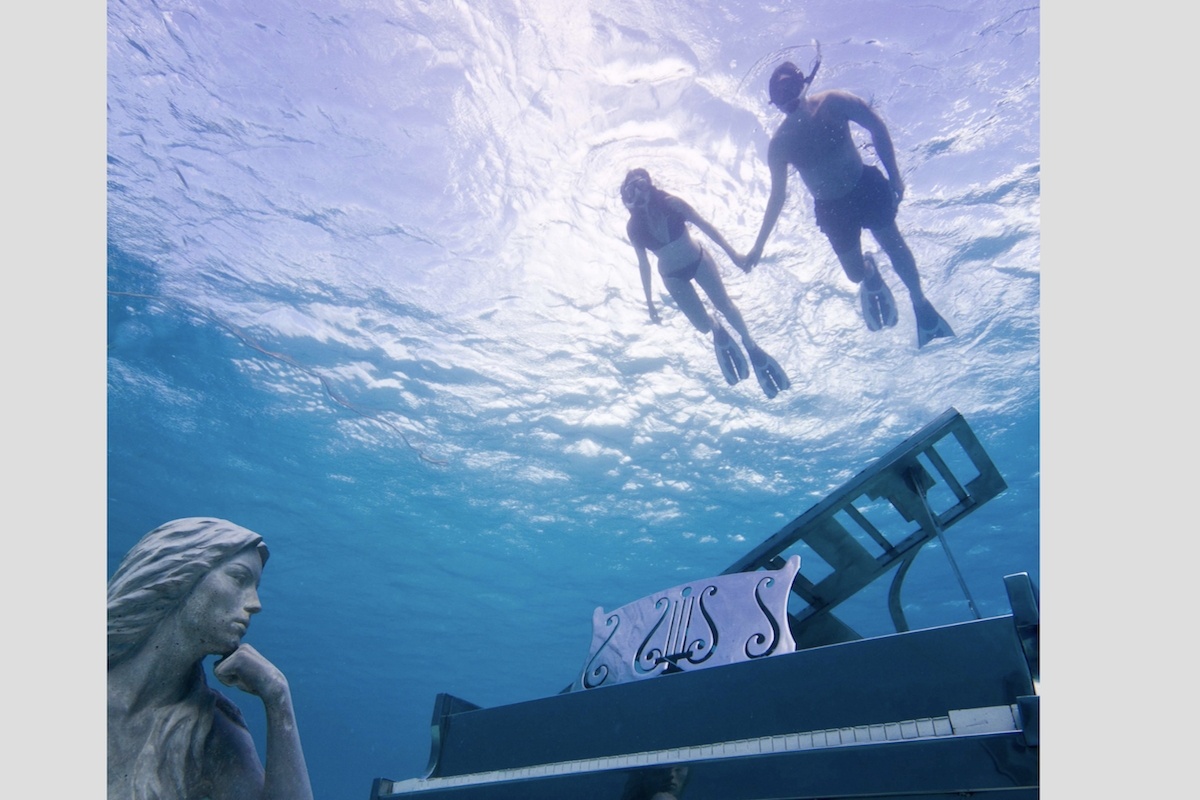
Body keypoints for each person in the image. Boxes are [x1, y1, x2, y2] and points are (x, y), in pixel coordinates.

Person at [742, 59, 954, 348]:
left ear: (803, 83)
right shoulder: (780, 143)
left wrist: (895, 176)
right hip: (833, 210)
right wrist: (758, 246)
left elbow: (876, 127)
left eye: (789, 87)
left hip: (864, 185)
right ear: (774, 103)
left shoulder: (834, 102)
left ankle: (921, 304)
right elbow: (777, 196)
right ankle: (869, 271)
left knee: (893, 244)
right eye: (779, 95)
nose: (786, 97)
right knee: (854, 275)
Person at [107, 518, 314, 800]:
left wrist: (278, 696)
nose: (255, 604)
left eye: (255, 586)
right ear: (180, 574)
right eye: (239, 578)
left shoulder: (210, 734)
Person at [621, 168, 790, 399]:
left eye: (640, 184)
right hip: (672, 276)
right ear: (626, 197)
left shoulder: (672, 204)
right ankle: (716, 328)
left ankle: (751, 346)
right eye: (631, 190)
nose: (638, 193)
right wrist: (650, 303)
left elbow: (706, 227)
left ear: (649, 184)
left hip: (698, 259)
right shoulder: (634, 228)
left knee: (725, 305)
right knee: (702, 326)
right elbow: (643, 265)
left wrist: (733, 254)